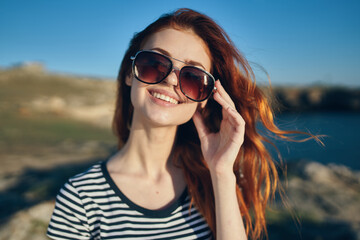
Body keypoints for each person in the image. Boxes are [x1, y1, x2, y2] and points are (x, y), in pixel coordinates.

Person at [47, 8, 315, 240]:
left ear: (204, 98)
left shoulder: (208, 180)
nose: (172, 81)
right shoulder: (80, 197)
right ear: (131, 73)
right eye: (154, 63)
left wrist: (221, 173)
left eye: (192, 76)